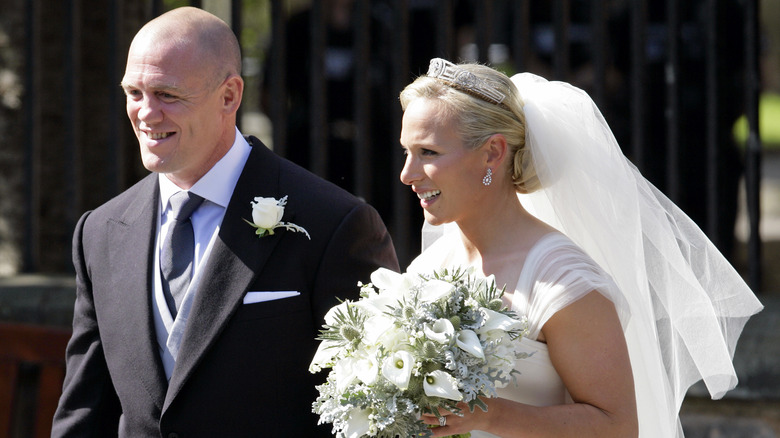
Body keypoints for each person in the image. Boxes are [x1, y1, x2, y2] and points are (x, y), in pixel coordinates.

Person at [51, 7, 398, 437]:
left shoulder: (334, 225)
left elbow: (374, 411)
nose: (145, 113)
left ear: (230, 96)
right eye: (134, 92)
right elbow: (85, 412)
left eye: (168, 94)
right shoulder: (100, 232)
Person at [399, 58, 763, 437]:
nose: (407, 174)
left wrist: (490, 416)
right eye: (406, 151)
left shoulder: (564, 280)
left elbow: (618, 426)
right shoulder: (432, 264)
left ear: (492, 152)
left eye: (429, 153)